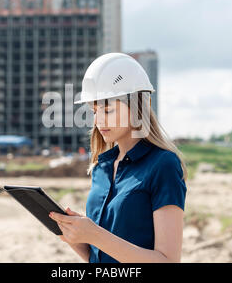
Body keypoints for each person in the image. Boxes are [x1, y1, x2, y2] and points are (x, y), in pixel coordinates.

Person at [49, 53, 188, 263]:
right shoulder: (100, 168)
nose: (98, 120)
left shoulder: (163, 165)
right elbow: (99, 257)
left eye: (107, 109)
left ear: (137, 108)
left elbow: (167, 261)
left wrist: (95, 234)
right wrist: (76, 237)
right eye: (95, 111)